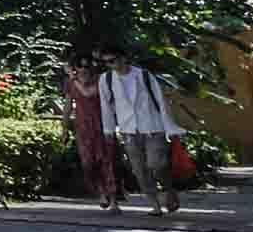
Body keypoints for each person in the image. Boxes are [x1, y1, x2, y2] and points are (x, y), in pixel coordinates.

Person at [99, 50, 182, 217]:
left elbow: (160, 100)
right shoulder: (106, 79)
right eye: (107, 62)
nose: (111, 64)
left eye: (113, 59)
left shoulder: (143, 75)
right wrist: (108, 130)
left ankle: (168, 189)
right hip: (128, 130)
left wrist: (170, 128)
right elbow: (105, 105)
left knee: (156, 164)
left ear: (123, 57)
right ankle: (155, 204)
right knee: (139, 170)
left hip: (152, 126)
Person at [65, 49, 119, 210]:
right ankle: (101, 191)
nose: (84, 69)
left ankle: (114, 200)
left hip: (103, 125)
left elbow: (88, 93)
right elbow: (68, 106)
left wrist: (72, 77)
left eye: (87, 66)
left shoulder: (100, 81)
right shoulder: (71, 83)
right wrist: (64, 128)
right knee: (88, 163)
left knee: (108, 162)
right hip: (83, 128)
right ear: (76, 67)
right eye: (80, 66)